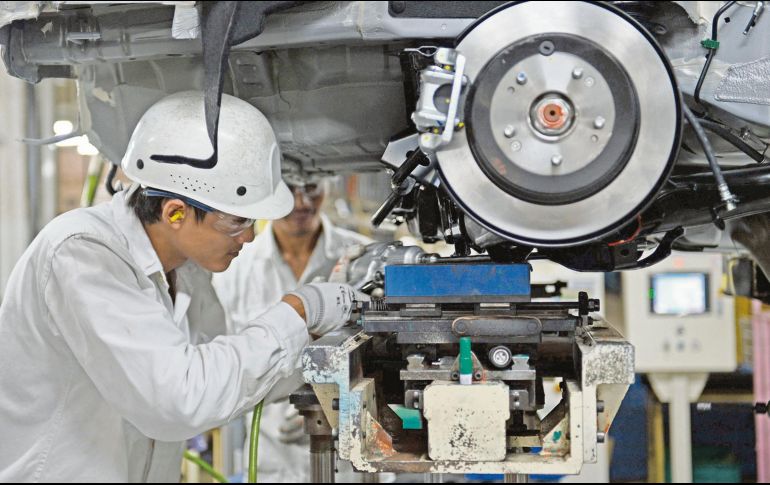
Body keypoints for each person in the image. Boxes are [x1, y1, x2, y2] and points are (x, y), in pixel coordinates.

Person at [0, 91, 359, 482]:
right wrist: (298, 310)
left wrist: (317, 349)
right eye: (237, 222)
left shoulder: (185, 270)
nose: (249, 238)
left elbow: (220, 380)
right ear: (175, 212)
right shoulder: (83, 253)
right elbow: (179, 402)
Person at [213, 171, 371, 483]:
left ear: (328, 183)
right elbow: (226, 367)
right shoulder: (234, 269)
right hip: (273, 458)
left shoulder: (364, 260)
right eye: (289, 190)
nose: (301, 202)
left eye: (312, 188)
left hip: (352, 458)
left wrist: (335, 404)